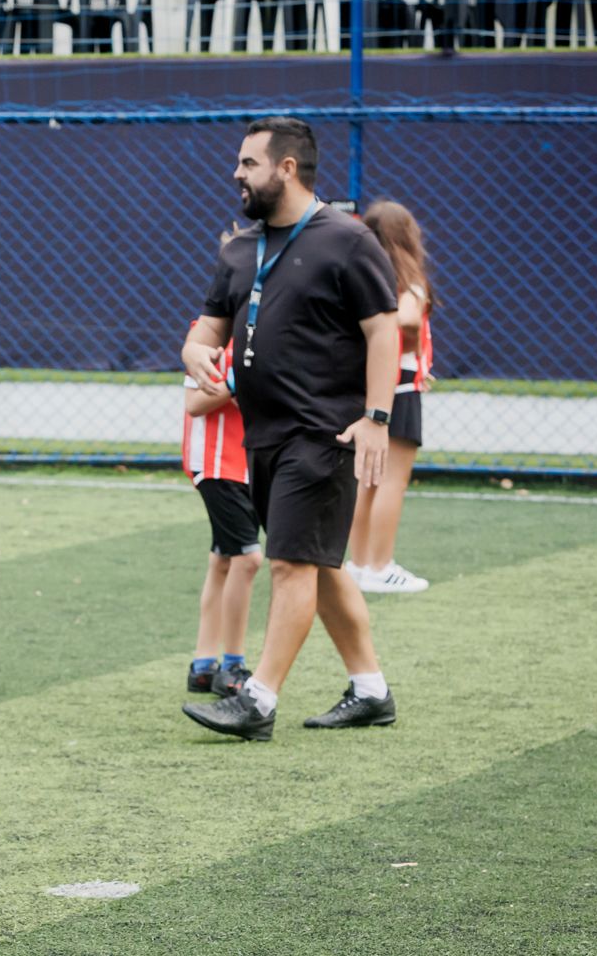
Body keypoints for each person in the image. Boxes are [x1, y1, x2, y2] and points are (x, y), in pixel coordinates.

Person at [179, 116, 401, 742]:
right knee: (319, 565)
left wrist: (377, 418)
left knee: (290, 566)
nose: (236, 174)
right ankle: (371, 691)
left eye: (248, 163)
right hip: (263, 435)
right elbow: (209, 325)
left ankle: (258, 700)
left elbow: (384, 328)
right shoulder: (240, 249)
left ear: (287, 168)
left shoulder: (347, 240)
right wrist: (196, 351)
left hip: (325, 434)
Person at [347, 201, 437, 594]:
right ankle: (380, 566)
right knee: (390, 481)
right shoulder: (408, 280)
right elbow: (409, 318)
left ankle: (360, 564)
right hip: (399, 387)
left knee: (367, 479)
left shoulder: (365, 277)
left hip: (375, 383)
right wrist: (410, 351)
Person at [182, 338, 263, 698]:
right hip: (217, 466)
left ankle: (202, 665)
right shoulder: (209, 336)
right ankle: (233, 666)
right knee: (248, 559)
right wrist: (239, 380)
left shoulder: (268, 324)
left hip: (249, 463)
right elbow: (195, 403)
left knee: (224, 559)